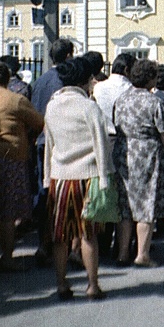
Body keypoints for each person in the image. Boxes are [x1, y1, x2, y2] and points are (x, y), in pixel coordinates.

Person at [44, 55, 112, 299]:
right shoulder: (89, 107)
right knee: (88, 233)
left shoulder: (52, 106)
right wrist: (105, 176)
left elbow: (49, 145)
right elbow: (101, 144)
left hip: (60, 177)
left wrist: (47, 177)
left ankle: (61, 284)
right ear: (86, 80)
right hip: (89, 176)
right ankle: (93, 285)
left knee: (60, 235)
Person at [0, 62, 44, 270]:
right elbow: (39, 122)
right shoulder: (16, 100)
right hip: (10, 155)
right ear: (7, 79)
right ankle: (7, 257)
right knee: (7, 210)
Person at [113, 59, 164, 267]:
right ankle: (142, 254)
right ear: (150, 79)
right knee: (146, 203)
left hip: (124, 151)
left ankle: (122, 252)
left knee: (125, 205)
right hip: (147, 152)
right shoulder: (154, 102)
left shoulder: (121, 99)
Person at [31, 37, 75, 265]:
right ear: (68, 55)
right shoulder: (64, 80)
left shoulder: (40, 80)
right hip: (58, 142)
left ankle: (43, 243)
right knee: (62, 194)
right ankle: (60, 242)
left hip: (40, 140)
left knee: (43, 191)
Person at [93, 53, 133, 148]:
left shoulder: (98, 87)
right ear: (127, 70)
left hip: (102, 137)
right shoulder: (130, 89)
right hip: (125, 139)